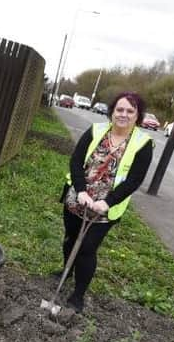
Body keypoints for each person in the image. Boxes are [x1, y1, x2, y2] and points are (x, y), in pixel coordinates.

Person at [58, 91, 153, 313]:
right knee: (70, 238)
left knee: (87, 248)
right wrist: (81, 191)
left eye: (130, 111)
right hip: (78, 197)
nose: (124, 114)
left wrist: (108, 202)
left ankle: (78, 295)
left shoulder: (143, 143)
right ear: (112, 111)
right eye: (120, 109)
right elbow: (76, 161)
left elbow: (134, 179)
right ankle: (66, 271)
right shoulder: (96, 130)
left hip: (105, 207)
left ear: (137, 115)